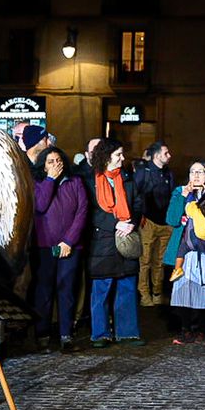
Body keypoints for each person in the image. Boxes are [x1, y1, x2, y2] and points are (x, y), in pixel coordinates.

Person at [83, 138, 141, 347]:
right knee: (101, 289)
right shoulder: (89, 180)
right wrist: (115, 223)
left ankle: (127, 333)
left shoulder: (127, 178)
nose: (122, 158)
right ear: (107, 157)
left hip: (126, 239)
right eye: (118, 154)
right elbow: (89, 210)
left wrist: (131, 223)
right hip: (102, 243)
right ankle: (100, 334)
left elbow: (137, 203)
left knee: (127, 286)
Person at [32, 146, 88, 350]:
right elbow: (40, 205)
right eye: (50, 161)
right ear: (43, 166)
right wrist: (50, 180)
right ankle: (42, 335)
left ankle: (66, 335)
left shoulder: (75, 182)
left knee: (67, 290)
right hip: (45, 245)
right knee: (44, 291)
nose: (56, 164)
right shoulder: (38, 183)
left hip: (70, 247)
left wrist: (69, 241)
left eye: (58, 160)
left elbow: (82, 211)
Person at [165, 162, 205, 345]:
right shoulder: (180, 192)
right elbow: (172, 220)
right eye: (192, 172)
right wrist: (183, 196)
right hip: (186, 250)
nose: (196, 175)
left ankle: (202, 330)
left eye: (200, 172)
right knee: (184, 290)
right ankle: (185, 329)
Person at [133, 141, 175, 308]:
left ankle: (157, 293)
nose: (169, 156)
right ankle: (144, 295)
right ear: (157, 155)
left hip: (165, 224)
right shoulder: (143, 172)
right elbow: (134, 195)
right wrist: (138, 218)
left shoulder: (168, 173)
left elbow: (172, 196)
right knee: (145, 261)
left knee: (160, 261)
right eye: (166, 153)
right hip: (148, 222)